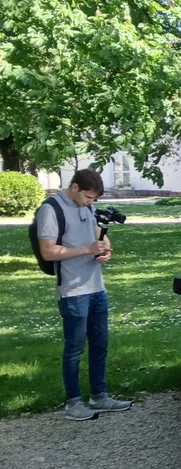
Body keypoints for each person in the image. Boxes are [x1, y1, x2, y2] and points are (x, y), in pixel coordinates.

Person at [36, 169, 132, 421]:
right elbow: (48, 251)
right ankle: (73, 403)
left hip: (96, 287)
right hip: (73, 290)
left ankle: (99, 396)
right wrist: (86, 249)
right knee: (75, 348)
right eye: (89, 197)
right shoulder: (51, 209)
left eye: (94, 200)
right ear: (75, 187)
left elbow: (99, 237)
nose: (91, 203)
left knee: (100, 344)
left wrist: (105, 250)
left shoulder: (87, 207)